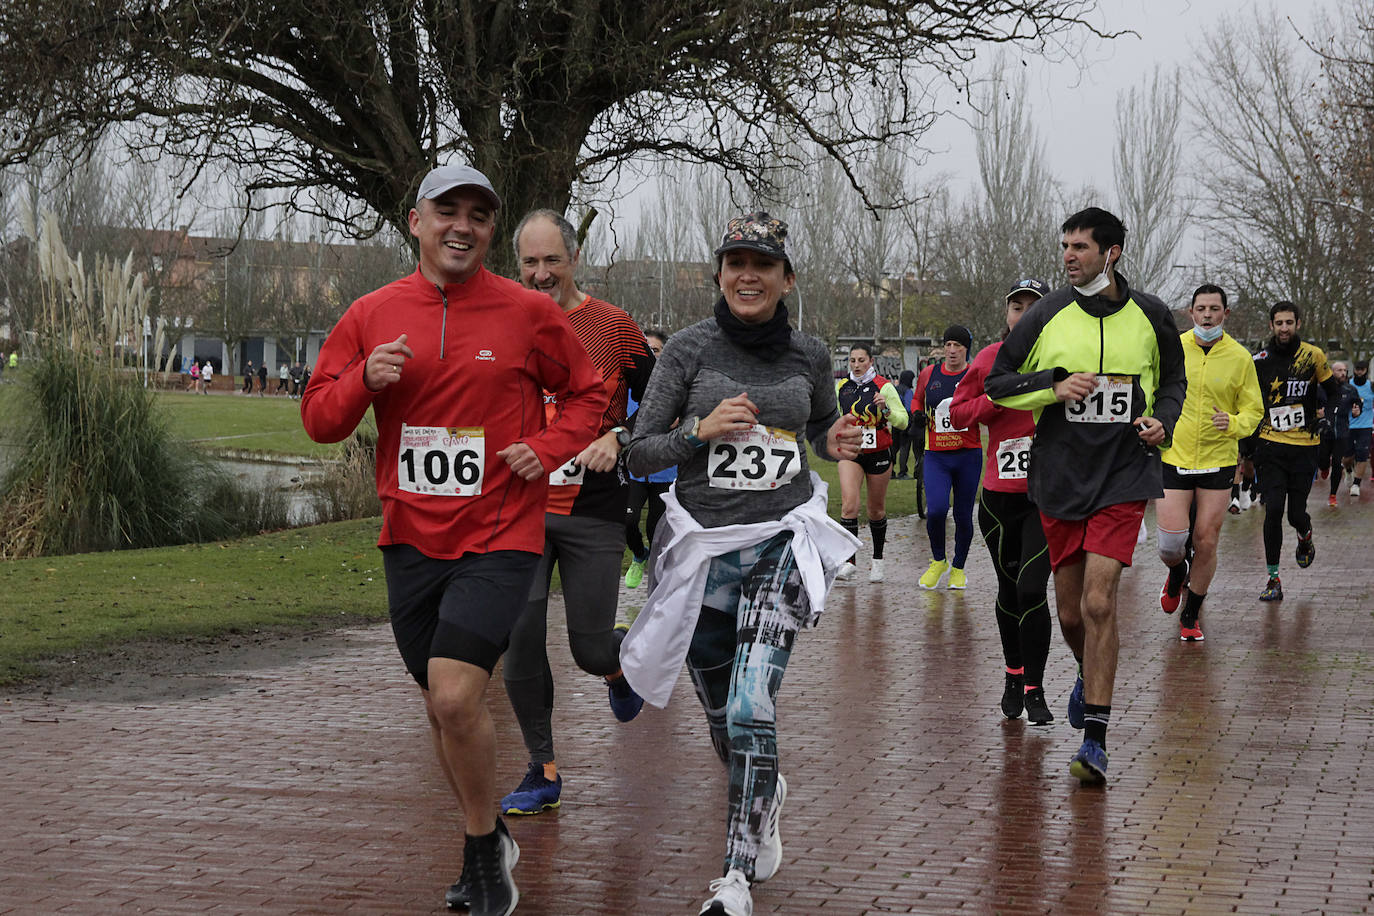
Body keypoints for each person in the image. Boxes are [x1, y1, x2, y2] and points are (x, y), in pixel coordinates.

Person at [301, 164, 606, 916]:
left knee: (454, 693)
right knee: (444, 709)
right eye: (448, 211)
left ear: (491, 230)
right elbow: (319, 419)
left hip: (501, 533)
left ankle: (480, 855)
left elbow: (589, 392)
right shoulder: (372, 313)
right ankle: (490, 835)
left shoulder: (526, 311)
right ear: (416, 222)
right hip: (409, 538)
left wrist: (549, 447)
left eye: (478, 214)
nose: (462, 226)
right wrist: (364, 380)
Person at [618, 212, 862, 916]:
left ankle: (735, 877)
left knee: (755, 703)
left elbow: (819, 423)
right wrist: (698, 432)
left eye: (763, 264)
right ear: (719, 274)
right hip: (702, 551)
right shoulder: (688, 350)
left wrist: (835, 436)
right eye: (736, 263)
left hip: (780, 539)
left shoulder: (809, 353)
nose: (748, 275)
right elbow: (638, 452)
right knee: (728, 719)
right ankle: (764, 790)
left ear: (787, 279)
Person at [984, 207, 1186, 786]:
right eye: (1065, 246)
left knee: (1100, 603)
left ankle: (1094, 739)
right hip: (1061, 475)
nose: (1069, 255)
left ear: (1111, 252)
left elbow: (1174, 381)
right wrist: (1052, 386)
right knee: (1071, 613)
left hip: (1124, 473)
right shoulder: (1046, 312)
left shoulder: (1151, 314)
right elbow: (999, 382)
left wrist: (1164, 420)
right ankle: (1085, 668)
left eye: (1080, 247)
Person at [498, 208, 655, 821]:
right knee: (520, 641)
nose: (541, 273)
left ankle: (618, 669)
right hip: (518, 507)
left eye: (552, 260)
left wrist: (619, 433)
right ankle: (542, 769)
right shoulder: (501, 322)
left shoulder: (612, 326)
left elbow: (663, 399)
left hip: (593, 504)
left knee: (588, 648)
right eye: (529, 262)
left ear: (574, 259)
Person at [950, 277, 1055, 724]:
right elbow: (957, 413)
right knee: (1009, 590)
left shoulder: (1063, 358)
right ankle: (1013, 675)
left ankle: (1035, 686)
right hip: (998, 499)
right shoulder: (989, 359)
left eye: (1034, 307)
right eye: (1017, 307)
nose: (1024, 315)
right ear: (1007, 314)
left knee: (1032, 588)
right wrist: (995, 400)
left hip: (1045, 496)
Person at [1155, 285, 1262, 641]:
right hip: (1175, 454)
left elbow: (1254, 410)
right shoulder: (1172, 348)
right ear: (1190, 312)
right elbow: (1152, 391)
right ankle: (1176, 572)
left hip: (1218, 459)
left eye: (1214, 309)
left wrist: (1233, 423)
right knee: (1170, 545)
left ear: (1225, 314)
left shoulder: (1240, 357)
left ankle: (1191, 614)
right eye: (1201, 308)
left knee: (1207, 540)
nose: (1207, 315)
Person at [1250, 301, 1343, 601]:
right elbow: (1249, 400)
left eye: (1289, 322)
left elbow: (1335, 393)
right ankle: (1273, 579)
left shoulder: (1313, 356)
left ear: (1298, 324)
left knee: (1295, 514)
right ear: (1271, 326)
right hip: (1271, 444)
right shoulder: (1260, 360)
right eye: (1279, 323)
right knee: (1274, 510)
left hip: (1305, 446)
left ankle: (1305, 536)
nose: (1284, 328)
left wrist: (1326, 418)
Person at [912, 325, 983, 589]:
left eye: (958, 346)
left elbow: (987, 404)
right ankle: (938, 560)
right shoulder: (929, 374)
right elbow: (917, 399)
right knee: (937, 510)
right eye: (948, 345)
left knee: (963, 515)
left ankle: (958, 568)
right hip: (937, 455)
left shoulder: (974, 375)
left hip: (968, 454)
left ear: (966, 349)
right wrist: (916, 414)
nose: (952, 350)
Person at [834, 343, 908, 582]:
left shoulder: (884, 386)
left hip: (878, 452)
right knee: (849, 505)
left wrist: (885, 410)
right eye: (852, 360)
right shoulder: (842, 386)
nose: (856, 365)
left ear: (871, 361)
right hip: (851, 451)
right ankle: (849, 562)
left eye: (861, 360)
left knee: (875, 510)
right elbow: (835, 416)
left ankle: (878, 560)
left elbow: (903, 421)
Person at [624, 329, 675, 590]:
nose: (649, 354)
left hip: (665, 472)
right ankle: (638, 555)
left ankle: (656, 588)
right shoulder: (628, 385)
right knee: (628, 521)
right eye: (645, 349)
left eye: (654, 350)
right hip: (634, 470)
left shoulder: (675, 386)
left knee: (657, 532)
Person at [1317, 361, 1359, 507]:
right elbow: (1312, 405)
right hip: (1324, 431)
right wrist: (1317, 413)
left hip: (1342, 432)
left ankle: (1333, 495)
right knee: (1322, 460)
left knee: (1337, 463)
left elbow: (1357, 404)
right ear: (1332, 371)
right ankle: (1323, 468)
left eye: (1345, 370)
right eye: (1339, 370)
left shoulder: (1350, 389)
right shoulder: (1321, 389)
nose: (1343, 373)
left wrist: (1357, 411)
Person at [1347, 359, 1372, 500]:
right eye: (1357, 369)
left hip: (1365, 426)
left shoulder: (1371, 386)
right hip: (1348, 426)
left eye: (1362, 369)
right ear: (1354, 370)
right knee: (1347, 457)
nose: (1360, 372)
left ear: (1366, 370)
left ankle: (1356, 484)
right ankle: (1348, 470)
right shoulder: (1347, 385)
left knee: (1362, 454)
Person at [892, 369, 918, 479]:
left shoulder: (894, 389)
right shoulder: (908, 391)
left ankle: (890, 471)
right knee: (905, 447)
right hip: (905, 422)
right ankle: (902, 472)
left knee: (894, 447)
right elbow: (909, 408)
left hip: (894, 421)